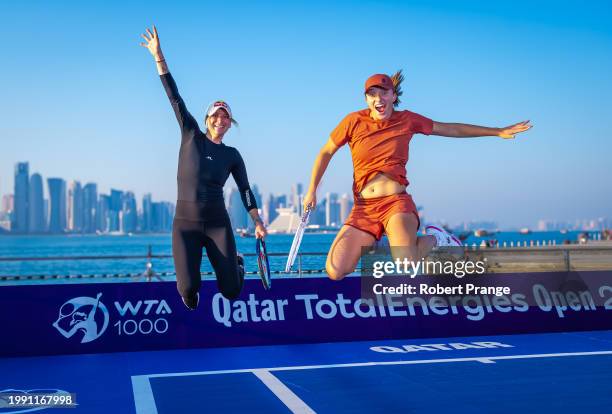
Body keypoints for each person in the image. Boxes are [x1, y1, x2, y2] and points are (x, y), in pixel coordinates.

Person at [303, 71, 531, 280]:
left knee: (404, 262)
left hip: (395, 204)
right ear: (366, 99)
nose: (378, 99)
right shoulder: (353, 121)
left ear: (394, 95)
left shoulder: (407, 120)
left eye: (384, 93)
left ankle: (436, 238)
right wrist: (312, 189)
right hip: (363, 208)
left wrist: (497, 131)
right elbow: (325, 151)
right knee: (335, 271)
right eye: (372, 94)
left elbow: (450, 129)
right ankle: (380, 242)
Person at [140, 26, 267, 309]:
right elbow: (174, 97)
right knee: (188, 290)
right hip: (185, 224)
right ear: (207, 118)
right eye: (216, 115)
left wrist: (257, 221)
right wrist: (158, 57)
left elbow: (245, 190)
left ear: (230, 123)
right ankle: (189, 289)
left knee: (232, 291)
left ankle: (236, 264)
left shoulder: (232, 154)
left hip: (217, 223)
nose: (220, 120)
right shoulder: (190, 135)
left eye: (226, 117)